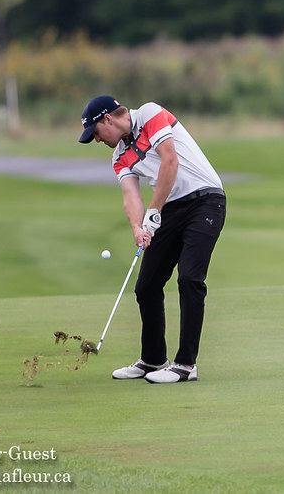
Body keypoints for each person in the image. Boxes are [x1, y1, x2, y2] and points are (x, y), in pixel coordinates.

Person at [78, 95, 226, 383]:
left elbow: (169, 161)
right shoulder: (119, 156)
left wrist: (154, 209)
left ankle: (186, 366)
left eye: (96, 132)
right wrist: (138, 227)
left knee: (189, 279)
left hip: (206, 200)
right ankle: (154, 359)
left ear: (108, 118)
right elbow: (131, 196)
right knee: (146, 286)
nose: (97, 139)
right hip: (171, 207)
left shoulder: (149, 113)